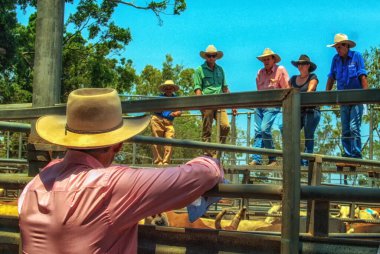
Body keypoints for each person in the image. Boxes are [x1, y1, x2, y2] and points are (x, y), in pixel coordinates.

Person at [18, 88, 223, 254]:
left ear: (66, 140)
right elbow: (204, 173)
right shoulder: (113, 185)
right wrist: (210, 160)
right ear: (118, 144)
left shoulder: (35, 183)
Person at [326, 33, 368, 161]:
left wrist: (366, 97)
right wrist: (327, 94)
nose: (337, 50)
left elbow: (362, 76)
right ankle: (347, 154)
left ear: (346, 46)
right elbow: (331, 77)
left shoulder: (357, 56)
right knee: (345, 128)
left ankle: (356, 154)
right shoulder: (336, 59)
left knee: (354, 127)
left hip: (356, 98)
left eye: (339, 47)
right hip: (343, 99)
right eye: (336, 48)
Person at [193, 44, 236, 157]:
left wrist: (233, 105)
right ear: (205, 57)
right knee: (207, 129)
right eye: (209, 56)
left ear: (216, 57)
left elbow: (225, 88)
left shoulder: (220, 70)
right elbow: (197, 88)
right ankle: (207, 153)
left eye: (213, 56)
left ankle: (219, 151)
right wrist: (200, 104)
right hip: (207, 102)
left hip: (220, 101)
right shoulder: (199, 70)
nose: (211, 58)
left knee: (225, 126)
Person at [250, 48, 290, 166]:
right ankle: (256, 159)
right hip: (260, 105)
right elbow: (258, 90)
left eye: (268, 59)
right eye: (264, 59)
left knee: (264, 129)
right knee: (258, 131)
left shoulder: (280, 70)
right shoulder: (260, 73)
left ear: (273, 60)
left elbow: (287, 89)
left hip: (273, 105)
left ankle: (272, 158)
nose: (266, 61)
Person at [290, 55, 321, 166]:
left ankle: (307, 160)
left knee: (308, 134)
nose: (300, 66)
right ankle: (295, 159)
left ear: (308, 65)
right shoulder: (293, 79)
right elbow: (288, 93)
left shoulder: (313, 77)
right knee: (291, 133)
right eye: (299, 64)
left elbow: (310, 90)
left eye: (303, 64)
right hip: (297, 111)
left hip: (311, 110)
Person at [151, 80, 182, 165]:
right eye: (166, 88)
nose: (168, 89)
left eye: (170, 88)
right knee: (156, 140)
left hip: (169, 122)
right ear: (164, 89)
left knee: (170, 140)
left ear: (173, 89)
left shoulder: (176, 99)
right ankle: (158, 161)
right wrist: (170, 113)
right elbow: (156, 109)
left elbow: (180, 110)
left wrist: (178, 113)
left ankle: (166, 162)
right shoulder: (159, 98)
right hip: (157, 120)